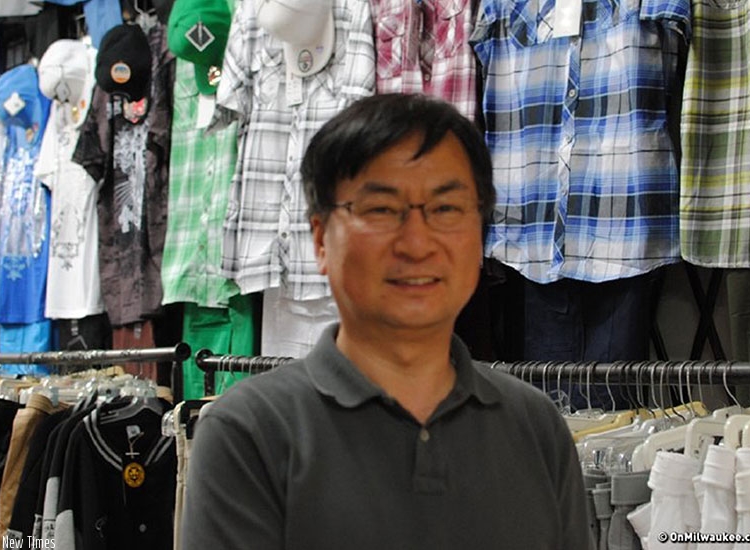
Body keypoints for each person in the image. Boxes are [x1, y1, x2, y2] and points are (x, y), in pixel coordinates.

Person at [181, 93, 594, 550]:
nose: (417, 243)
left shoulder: (537, 427)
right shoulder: (249, 433)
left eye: (446, 209)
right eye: (380, 210)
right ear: (320, 239)